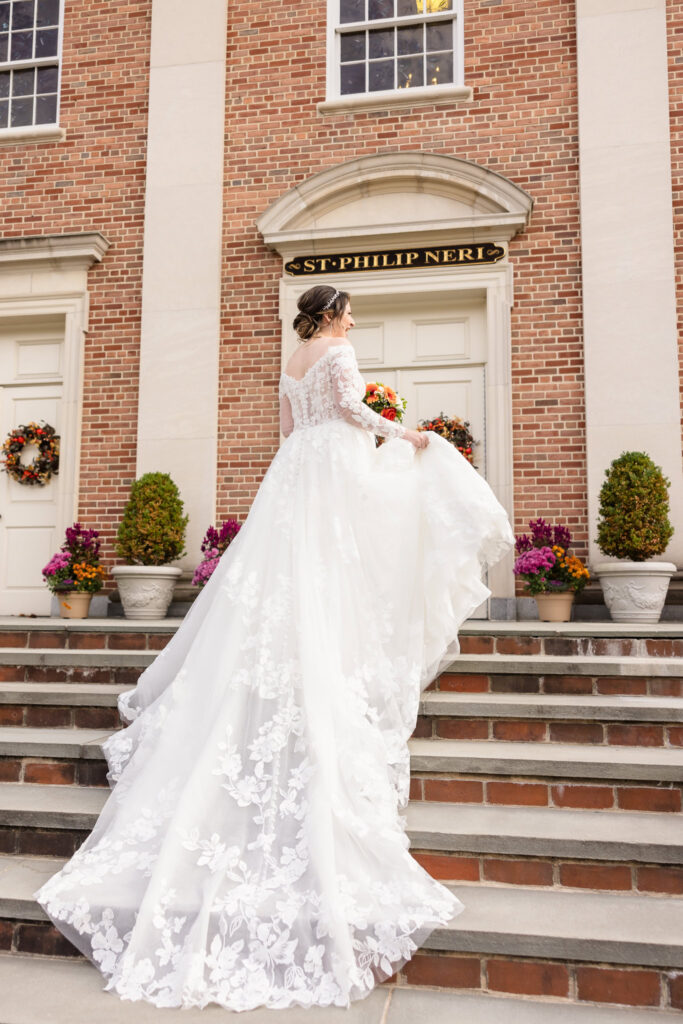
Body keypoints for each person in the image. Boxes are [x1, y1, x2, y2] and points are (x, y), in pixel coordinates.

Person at [33, 283, 515, 1012]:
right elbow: (351, 411)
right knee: (340, 572)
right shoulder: (340, 350)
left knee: (294, 578)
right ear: (332, 313)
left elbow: (295, 424)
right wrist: (406, 436)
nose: (354, 318)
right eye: (348, 308)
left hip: (295, 473)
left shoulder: (293, 356)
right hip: (333, 467)